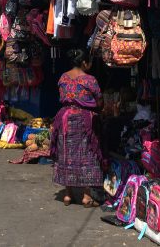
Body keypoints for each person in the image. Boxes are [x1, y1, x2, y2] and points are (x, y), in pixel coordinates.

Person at [50, 49, 103, 207]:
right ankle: (86, 196)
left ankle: (68, 195)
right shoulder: (90, 80)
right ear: (84, 63)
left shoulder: (63, 78)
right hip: (83, 120)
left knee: (66, 154)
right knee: (86, 155)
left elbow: (61, 97)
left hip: (64, 119)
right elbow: (99, 101)